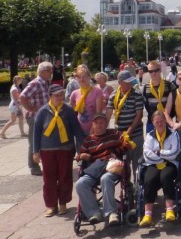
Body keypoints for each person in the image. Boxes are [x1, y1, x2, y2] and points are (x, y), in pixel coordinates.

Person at [33, 84, 84, 217]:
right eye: (56, 95)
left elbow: (77, 130)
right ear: (50, 96)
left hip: (66, 149)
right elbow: (37, 132)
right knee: (48, 178)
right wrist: (35, 151)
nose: (59, 97)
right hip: (47, 150)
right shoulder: (43, 111)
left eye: (61, 95)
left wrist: (82, 148)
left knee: (64, 177)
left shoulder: (68, 110)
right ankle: (51, 205)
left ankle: (63, 203)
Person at [75, 112, 130, 226]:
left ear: (106, 123)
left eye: (102, 122)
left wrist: (116, 152)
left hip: (112, 167)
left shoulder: (114, 134)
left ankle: (111, 213)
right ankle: (94, 213)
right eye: (97, 122)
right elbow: (79, 156)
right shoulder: (88, 140)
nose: (100, 125)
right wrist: (82, 156)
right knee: (80, 183)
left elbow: (127, 145)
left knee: (105, 178)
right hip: (95, 169)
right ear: (93, 124)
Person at [139, 111, 181, 226]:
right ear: (153, 123)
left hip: (170, 164)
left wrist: (158, 152)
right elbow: (147, 155)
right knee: (149, 179)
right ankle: (147, 215)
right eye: (157, 122)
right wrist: (163, 157)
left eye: (162, 121)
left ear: (165, 121)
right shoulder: (149, 136)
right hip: (153, 164)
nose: (160, 123)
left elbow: (174, 153)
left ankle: (170, 211)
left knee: (166, 176)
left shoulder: (174, 134)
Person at [106, 71, 145, 177]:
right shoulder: (113, 95)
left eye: (130, 81)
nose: (130, 84)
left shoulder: (137, 94)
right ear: (119, 82)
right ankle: (126, 184)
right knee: (123, 165)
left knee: (137, 164)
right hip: (120, 136)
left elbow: (139, 115)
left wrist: (128, 133)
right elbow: (108, 115)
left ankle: (137, 184)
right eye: (127, 82)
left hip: (135, 135)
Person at [20, 61, 53, 175]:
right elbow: (22, 96)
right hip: (34, 117)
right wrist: (29, 108)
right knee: (34, 141)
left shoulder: (46, 83)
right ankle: (33, 166)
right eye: (50, 70)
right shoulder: (35, 83)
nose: (51, 72)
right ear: (43, 71)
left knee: (44, 140)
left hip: (45, 117)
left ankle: (44, 163)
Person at [142, 60, 176, 135]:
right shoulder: (145, 88)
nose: (153, 73)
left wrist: (170, 115)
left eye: (156, 70)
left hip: (166, 121)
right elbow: (146, 105)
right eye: (151, 71)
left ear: (160, 70)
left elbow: (175, 103)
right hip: (152, 122)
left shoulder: (170, 86)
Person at [70, 65, 104, 136]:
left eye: (84, 76)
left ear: (89, 77)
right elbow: (72, 111)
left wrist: (92, 130)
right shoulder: (74, 93)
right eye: (79, 77)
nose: (82, 79)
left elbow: (98, 113)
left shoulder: (97, 91)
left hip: (94, 129)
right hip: (79, 129)